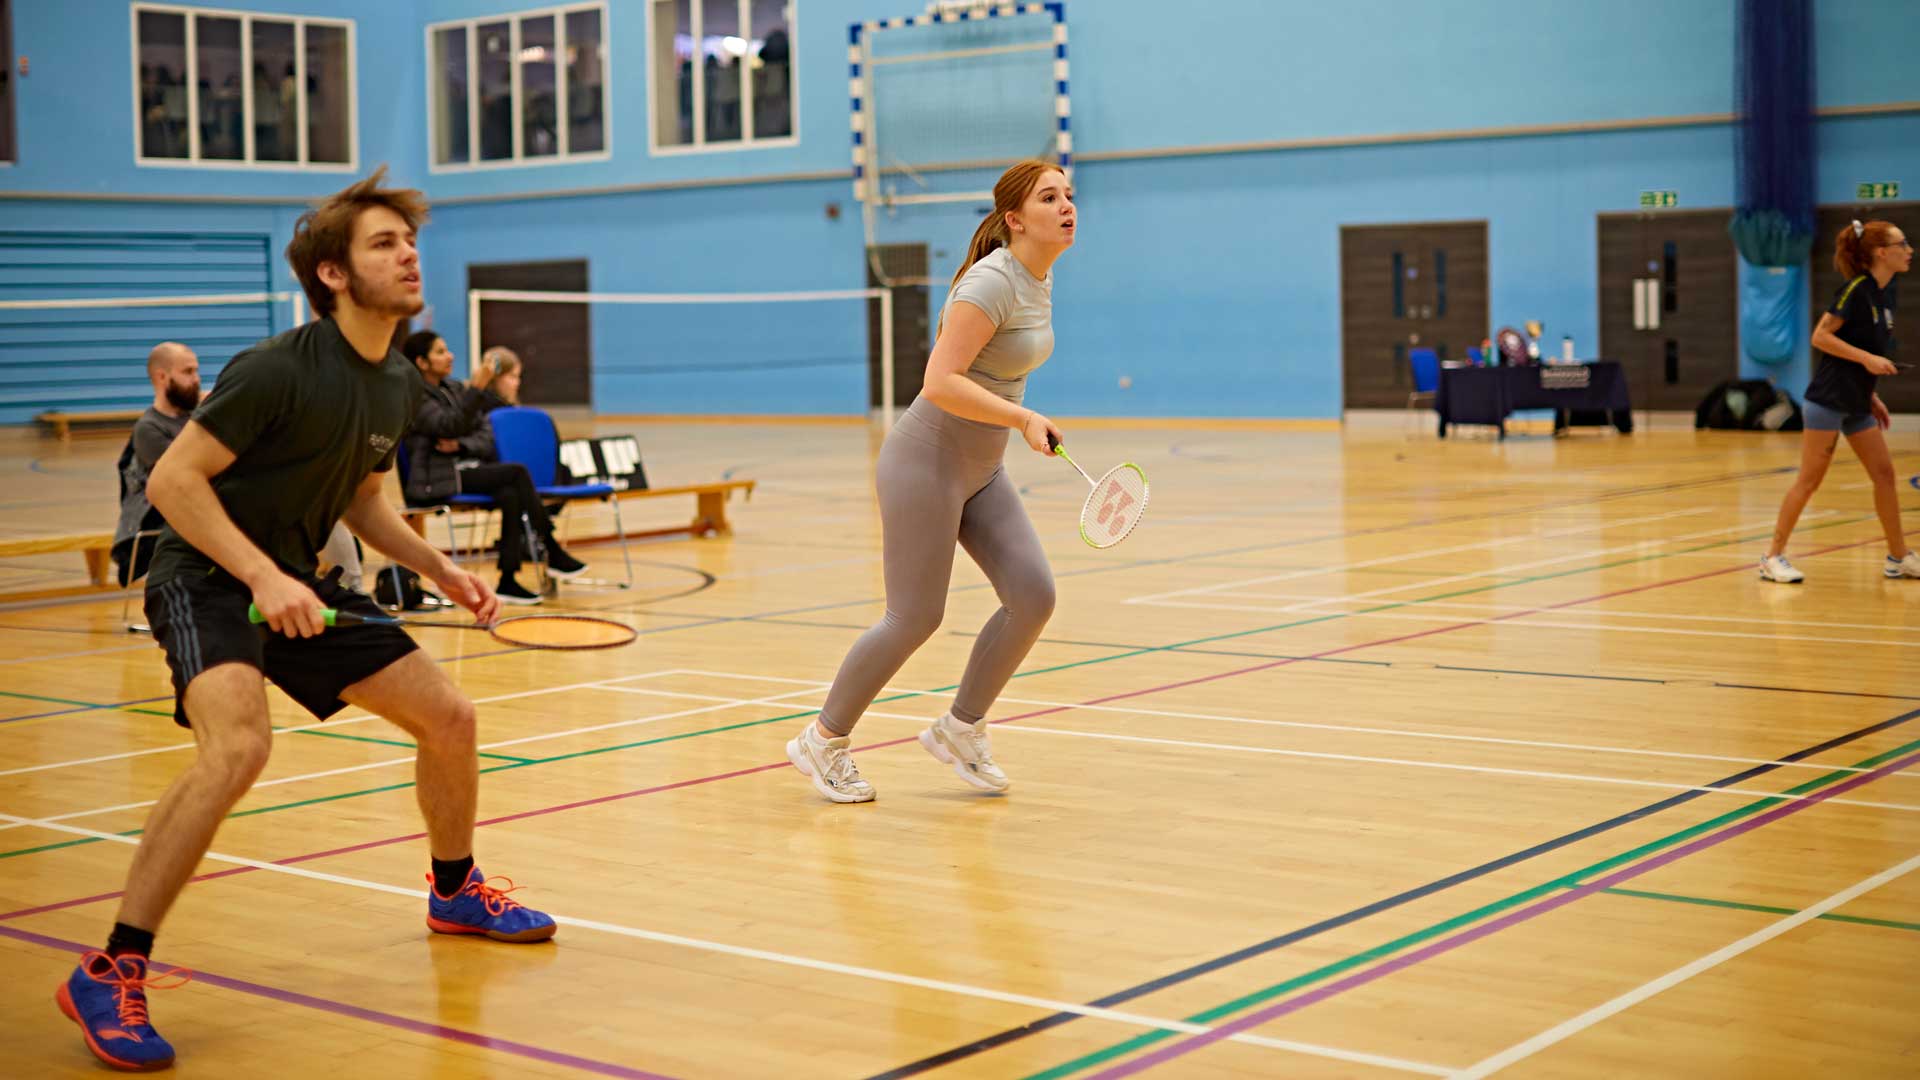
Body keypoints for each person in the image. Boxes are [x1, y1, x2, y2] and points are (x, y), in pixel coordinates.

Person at [56, 169, 557, 1074]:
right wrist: (257, 574)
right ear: (332, 274)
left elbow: (366, 503)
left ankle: (455, 894)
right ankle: (109, 968)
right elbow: (173, 487)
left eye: (409, 242)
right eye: (382, 244)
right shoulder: (276, 368)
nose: (408, 255)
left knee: (450, 717)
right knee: (239, 747)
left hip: (299, 580)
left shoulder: (395, 382)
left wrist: (441, 569)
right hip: (205, 577)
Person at [786, 160, 1073, 802]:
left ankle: (959, 728)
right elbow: (938, 382)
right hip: (926, 461)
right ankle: (822, 740)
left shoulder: (1039, 277)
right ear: (1014, 219)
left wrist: (1015, 423)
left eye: (1069, 196)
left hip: (981, 466)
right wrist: (1024, 417)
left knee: (1033, 595)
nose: (1066, 207)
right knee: (914, 616)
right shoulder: (990, 283)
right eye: (1049, 197)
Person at [113, 343, 363, 590]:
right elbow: (193, 479)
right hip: (169, 528)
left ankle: (349, 587)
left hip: (222, 510)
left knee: (312, 499)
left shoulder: (198, 416)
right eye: (188, 372)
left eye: (197, 371)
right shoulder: (149, 428)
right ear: (162, 377)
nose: (197, 380)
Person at [1761, 219, 1918, 583]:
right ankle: (1772, 557)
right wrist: (1867, 360)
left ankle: (1898, 557)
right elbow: (1821, 336)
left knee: (1884, 474)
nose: (1909, 251)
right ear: (1882, 252)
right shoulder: (1857, 289)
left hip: (1857, 402)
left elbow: (1863, 347)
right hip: (1828, 401)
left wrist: (1871, 393)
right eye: (1902, 244)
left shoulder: (1884, 294)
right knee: (1809, 481)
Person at [399, 334, 585, 605]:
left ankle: (507, 580)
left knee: (510, 493)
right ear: (422, 362)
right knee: (516, 473)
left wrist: (461, 445)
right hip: (434, 479)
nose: (450, 356)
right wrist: (476, 389)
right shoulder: (415, 397)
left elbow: (485, 435)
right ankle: (552, 548)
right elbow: (448, 425)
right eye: (440, 352)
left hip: (465, 468)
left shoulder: (453, 388)